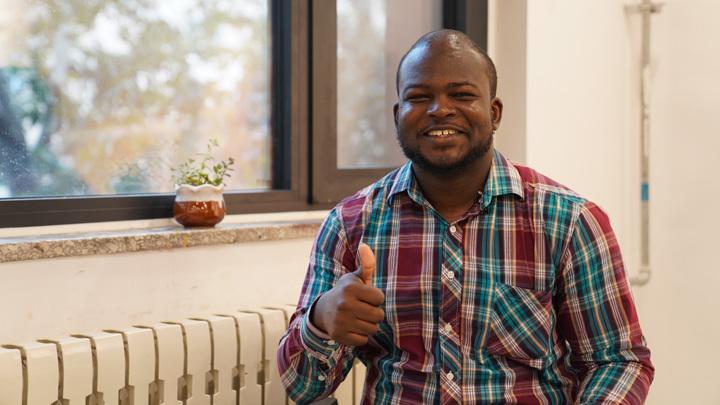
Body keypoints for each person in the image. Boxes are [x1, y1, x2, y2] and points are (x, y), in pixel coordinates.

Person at [278, 29, 654, 404]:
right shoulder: (351, 224)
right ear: (397, 116)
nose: (439, 109)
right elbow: (303, 387)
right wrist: (320, 321)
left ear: (494, 113)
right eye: (419, 97)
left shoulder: (569, 221)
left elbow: (618, 361)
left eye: (461, 95)